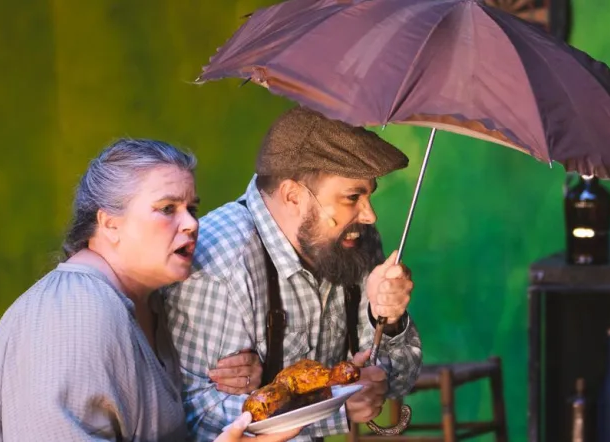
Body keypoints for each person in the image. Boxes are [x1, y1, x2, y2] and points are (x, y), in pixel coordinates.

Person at [0, 138, 299, 442]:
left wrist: (246, 374)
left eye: (192, 209)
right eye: (167, 209)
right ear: (109, 223)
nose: (192, 224)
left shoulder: (153, 306)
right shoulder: (73, 311)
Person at [167, 106, 423, 441]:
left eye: (369, 194)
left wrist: (387, 322)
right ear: (293, 196)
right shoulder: (222, 265)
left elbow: (404, 374)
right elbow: (198, 417)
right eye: (352, 197)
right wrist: (337, 408)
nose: (370, 215)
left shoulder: (355, 243)